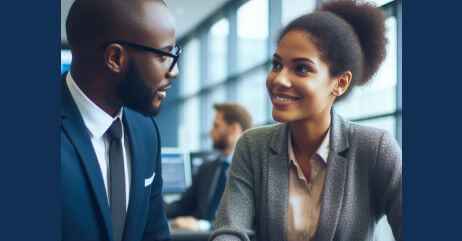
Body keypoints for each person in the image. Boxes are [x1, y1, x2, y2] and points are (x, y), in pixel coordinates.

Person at [211, 1, 401, 241]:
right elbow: (230, 230)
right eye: (277, 64)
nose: (279, 79)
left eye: (301, 69)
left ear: (340, 83)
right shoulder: (253, 145)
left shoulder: (374, 148)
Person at [61, 0, 181, 240]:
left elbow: (154, 234)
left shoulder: (146, 131)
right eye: (165, 55)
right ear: (115, 57)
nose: (174, 70)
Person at [166, 103, 252, 232]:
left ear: (234, 128)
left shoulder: (252, 170)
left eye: (216, 126)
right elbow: (183, 205)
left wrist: (201, 225)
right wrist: (152, 209)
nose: (210, 132)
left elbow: (248, 221)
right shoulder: (207, 168)